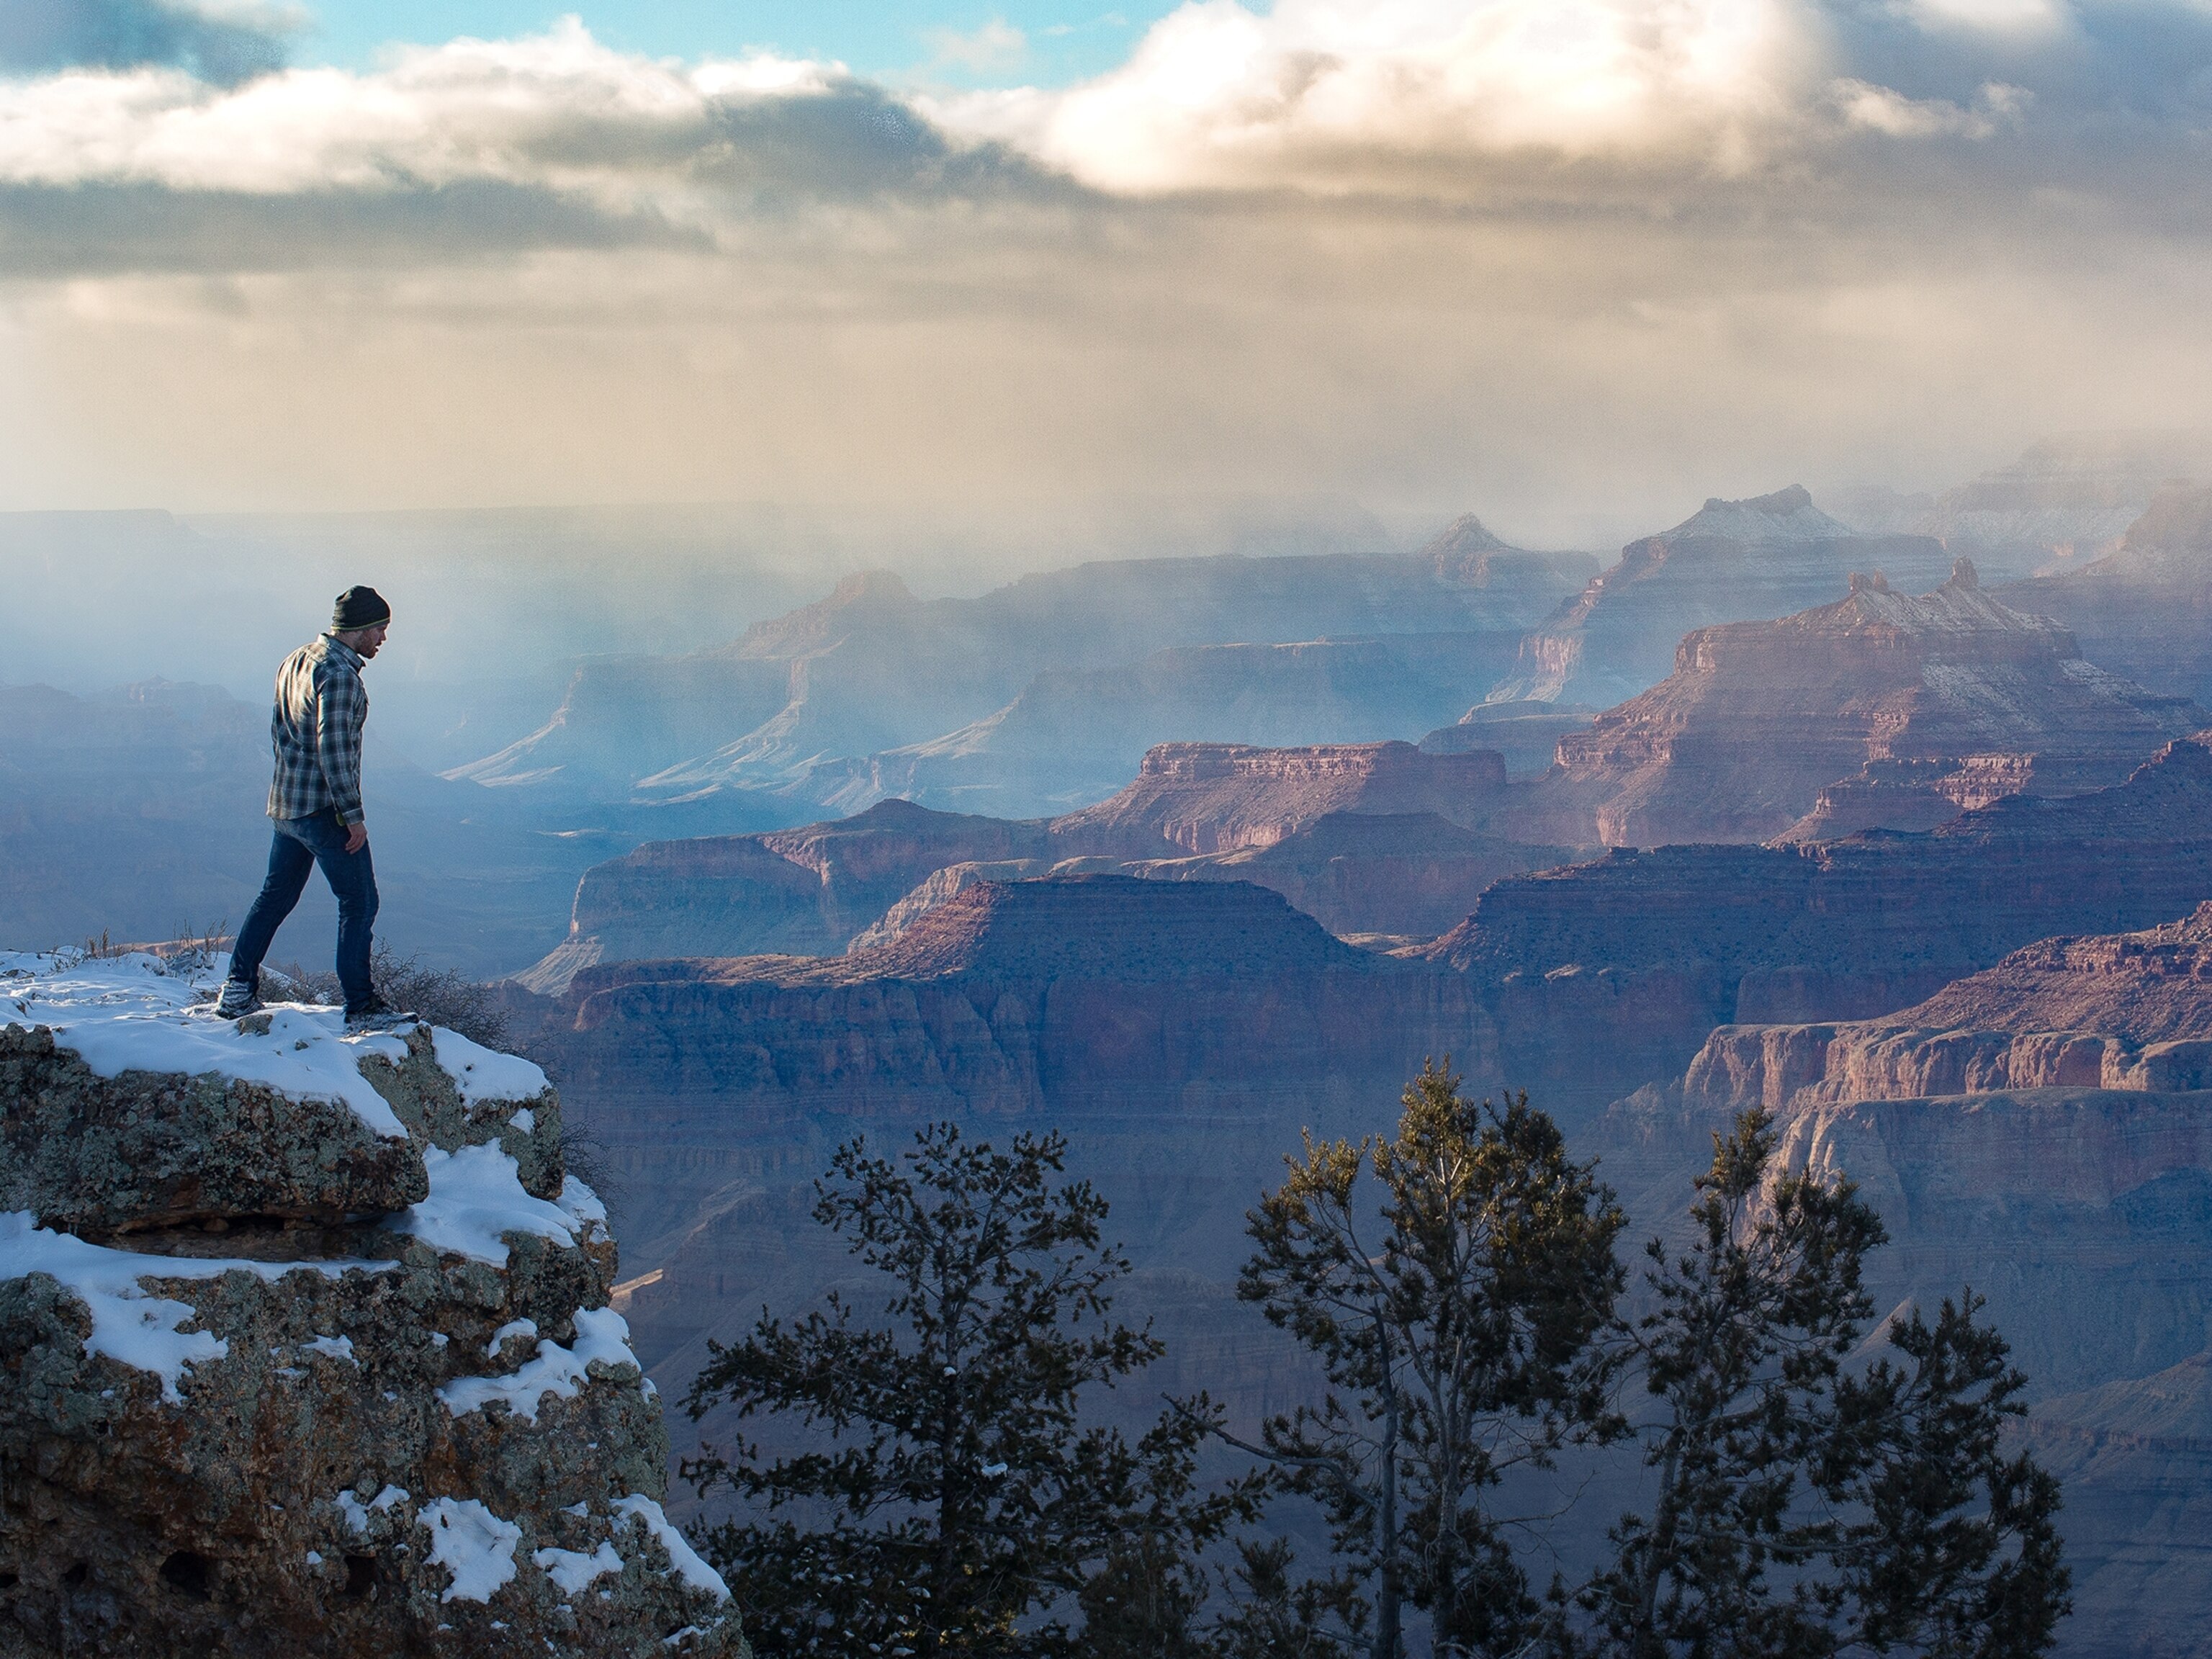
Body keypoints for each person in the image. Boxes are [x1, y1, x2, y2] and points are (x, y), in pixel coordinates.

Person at [215, 586, 415, 1033]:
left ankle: (238, 989)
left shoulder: (297, 659)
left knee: (275, 897)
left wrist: (289, 788)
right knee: (359, 901)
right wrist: (353, 816)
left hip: (287, 805)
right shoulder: (340, 675)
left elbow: (278, 731)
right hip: (324, 811)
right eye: (380, 628)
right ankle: (361, 1006)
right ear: (359, 628)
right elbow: (335, 751)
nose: (384, 637)